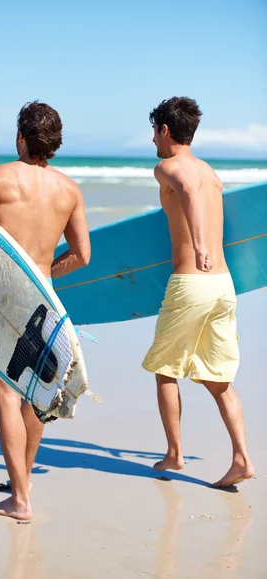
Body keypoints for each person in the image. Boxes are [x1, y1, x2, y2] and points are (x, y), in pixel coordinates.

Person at [0, 101, 91, 520]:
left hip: (4, 297)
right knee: (35, 395)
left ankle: (21, 500)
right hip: (45, 298)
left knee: (7, 395)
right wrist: (46, 275)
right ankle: (21, 481)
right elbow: (82, 255)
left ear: (21, 137)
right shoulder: (70, 191)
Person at [142, 96, 255, 488]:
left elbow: (186, 190)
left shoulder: (168, 167)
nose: (153, 140)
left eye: (154, 131)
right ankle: (241, 458)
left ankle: (174, 454)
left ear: (165, 130)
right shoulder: (211, 172)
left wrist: (200, 245)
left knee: (164, 370)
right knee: (218, 378)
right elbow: (198, 192)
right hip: (223, 286)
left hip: (190, 283)